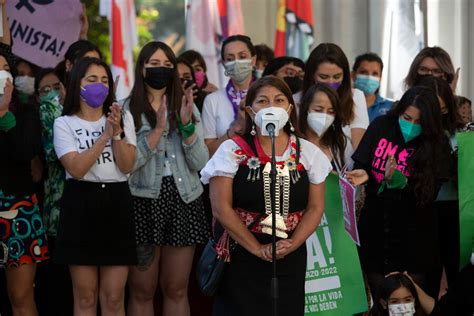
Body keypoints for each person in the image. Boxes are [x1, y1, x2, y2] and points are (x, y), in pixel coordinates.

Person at [200, 76, 332, 315]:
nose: (271, 106)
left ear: (290, 108)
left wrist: (293, 244)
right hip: (241, 253)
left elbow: (315, 207)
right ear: (250, 111)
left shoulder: (308, 153)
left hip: (289, 254)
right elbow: (221, 207)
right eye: (263, 101)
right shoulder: (231, 151)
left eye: (279, 100)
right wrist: (256, 248)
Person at [125, 41, 209, 316]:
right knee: (142, 289)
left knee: (176, 288)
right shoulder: (127, 108)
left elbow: (201, 162)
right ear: (142, 68)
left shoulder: (185, 104)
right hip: (142, 201)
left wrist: (186, 127)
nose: (161, 70)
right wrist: (159, 129)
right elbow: (128, 163)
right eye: (154, 65)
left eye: (167, 65)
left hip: (184, 199)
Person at [346, 86, 452, 298]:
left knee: (407, 302)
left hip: (414, 235)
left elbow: (429, 195)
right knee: (380, 298)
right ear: (400, 111)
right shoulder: (381, 126)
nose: (411, 125)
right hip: (376, 227)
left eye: (419, 122)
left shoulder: (438, 144)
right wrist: (363, 174)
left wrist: (400, 181)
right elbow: (363, 163)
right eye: (407, 117)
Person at [53, 57, 137, 315]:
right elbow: (76, 169)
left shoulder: (123, 118)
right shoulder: (64, 123)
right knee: (86, 297)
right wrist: (104, 136)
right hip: (81, 204)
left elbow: (126, 166)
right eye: (92, 80)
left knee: (114, 297)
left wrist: (118, 131)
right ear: (77, 83)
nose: (99, 86)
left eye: (104, 80)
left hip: (116, 202)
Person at [0, 36, 49, 316]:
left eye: (5, 68)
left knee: (20, 295)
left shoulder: (27, 109)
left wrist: (4, 114)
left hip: (18, 210)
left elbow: (25, 150)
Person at [416, 76, 463, 298]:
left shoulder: (461, 133)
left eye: (442, 109)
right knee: (428, 275)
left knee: (458, 273)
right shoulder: (415, 132)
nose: (438, 115)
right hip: (425, 210)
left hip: (457, 210)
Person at [302, 43, 369, 150]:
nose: (331, 82)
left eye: (337, 77)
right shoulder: (297, 99)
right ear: (312, 74)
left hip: (345, 164)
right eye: (323, 77)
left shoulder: (355, 97)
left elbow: (358, 145)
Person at [201, 34, 256, 156]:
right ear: (224, 64)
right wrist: (235, 129)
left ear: (253, 61)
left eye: (242, 56)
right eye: (230, 59)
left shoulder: (267, 97)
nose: (236, 62)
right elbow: (208, 152)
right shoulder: (212, 100)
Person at [298, 83, 353, 169]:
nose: (324, 116)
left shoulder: (341, 143)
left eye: (331, 112)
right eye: (318, 110)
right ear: (305, 108)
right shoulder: (292, 141)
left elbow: (350, 175)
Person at [352, 52, 393, 122]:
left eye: (375, 74)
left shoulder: (391, 108)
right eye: (363, 72)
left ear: (380, 78)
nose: (369, 77)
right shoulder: (341, 104)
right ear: (353, 75)